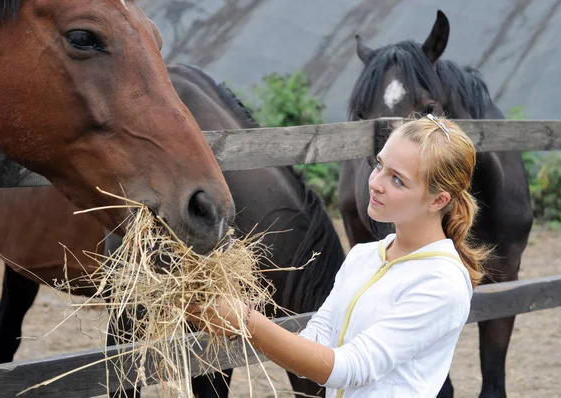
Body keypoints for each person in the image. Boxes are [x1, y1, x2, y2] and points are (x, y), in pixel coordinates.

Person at [187, 115, 490, 397]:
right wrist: (240, 322)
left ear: (438, 200)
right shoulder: (365, 255)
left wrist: (248, 321)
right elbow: (314, 343)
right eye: (379, 165)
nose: (375, 183)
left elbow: (347, 368)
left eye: (397, 179)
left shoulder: (442, 282)